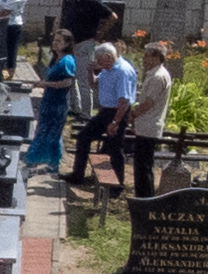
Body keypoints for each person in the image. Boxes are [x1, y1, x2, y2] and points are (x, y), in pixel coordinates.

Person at [71, 41, 134, 191]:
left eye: (100, 60)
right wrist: (90, 72)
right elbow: (95, 84)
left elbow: (124, 100)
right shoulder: (107, 68)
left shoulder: (122, 71)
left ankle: (117, 186)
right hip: (105, 111)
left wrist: (115, 122)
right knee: (84, 136)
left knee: (115, 148)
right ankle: (78, 174)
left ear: (108, 56)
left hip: (117, 112)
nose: (98, 63)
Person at [125, 38, 175, 198]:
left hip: (149, 126)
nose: (144, 59)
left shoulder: (158, 76)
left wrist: (133, 114)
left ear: (158, 58)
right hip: (145, 125)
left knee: (143, 166)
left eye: (148, 56)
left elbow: (148, 103)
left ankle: (145, 198)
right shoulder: (153, 74)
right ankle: (143, 196)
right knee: (141, 165)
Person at [26, 45, 75, 174]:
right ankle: (38, 162)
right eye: (55, 40)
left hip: (58, 102)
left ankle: (51, 164)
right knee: (42, 130)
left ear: (66, 44)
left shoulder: (67, 61)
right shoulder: (55, 59)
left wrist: (45, 84)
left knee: (53, 133)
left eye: (59, 41)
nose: (55, 43)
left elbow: (67, 82)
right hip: (48, 100)